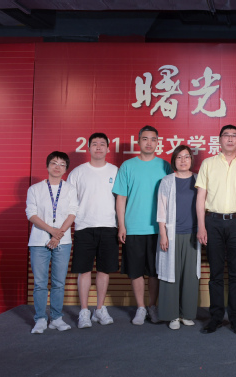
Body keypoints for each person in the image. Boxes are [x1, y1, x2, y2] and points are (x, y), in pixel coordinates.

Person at [196, 124, 236, 334]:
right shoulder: (208, 164)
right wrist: (201, 226)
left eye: (234, 136)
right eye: (226, 135)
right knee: (215, 273)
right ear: (219, 139)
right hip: (212, 222)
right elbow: (201, 197)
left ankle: (235, 319)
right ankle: (215, 318)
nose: (230, 139)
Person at [113, 125, 172, 325]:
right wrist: (122, 225)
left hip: (158, 228)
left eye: (153, 139)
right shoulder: (127, 166)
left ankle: (152, 306)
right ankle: (140, 307)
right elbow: (121, 198)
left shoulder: (165, 166)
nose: (149, 143)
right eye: (145, 139)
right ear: (138, 142)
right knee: (136, 270)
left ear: (158, 142)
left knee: (155, 271)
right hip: (134, 227)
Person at [68, 133, 119, 329]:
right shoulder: (77, 173)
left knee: (104, 270)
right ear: (88, 148)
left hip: (109, 226)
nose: (98, 147)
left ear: (108, 148)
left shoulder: (115, 171)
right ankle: (84, 311)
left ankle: (99, 309)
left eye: (102, 144)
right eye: (95, 144)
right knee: (84, 270)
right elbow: (70, 202)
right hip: (84, 226)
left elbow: (121, 200)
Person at [26, 151, 78, 334]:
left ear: (66, 169)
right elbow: (31, 214)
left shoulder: (70, 189)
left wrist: (58, 235)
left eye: (62, 164)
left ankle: (56, 318)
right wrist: (52, 231)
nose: (58, 167)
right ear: (47, 165)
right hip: (39, 241)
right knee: (40, 283)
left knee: (58, 282)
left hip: (63, 242)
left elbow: (72, 213)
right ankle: (40, 319)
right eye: (54, 163)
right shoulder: (35, 189)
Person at [156, 145, 200, 330]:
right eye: (179, 157)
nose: (183, 160)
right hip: (172, 234)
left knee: (190, 276)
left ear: (191, 159)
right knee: (171, 275)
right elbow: (161, 209)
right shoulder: (167, 181)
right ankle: (172, 315)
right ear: (174, 160)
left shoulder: (198, 179)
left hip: (193, 234)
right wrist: (163, 234)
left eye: (186, 157)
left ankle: (187, 314)